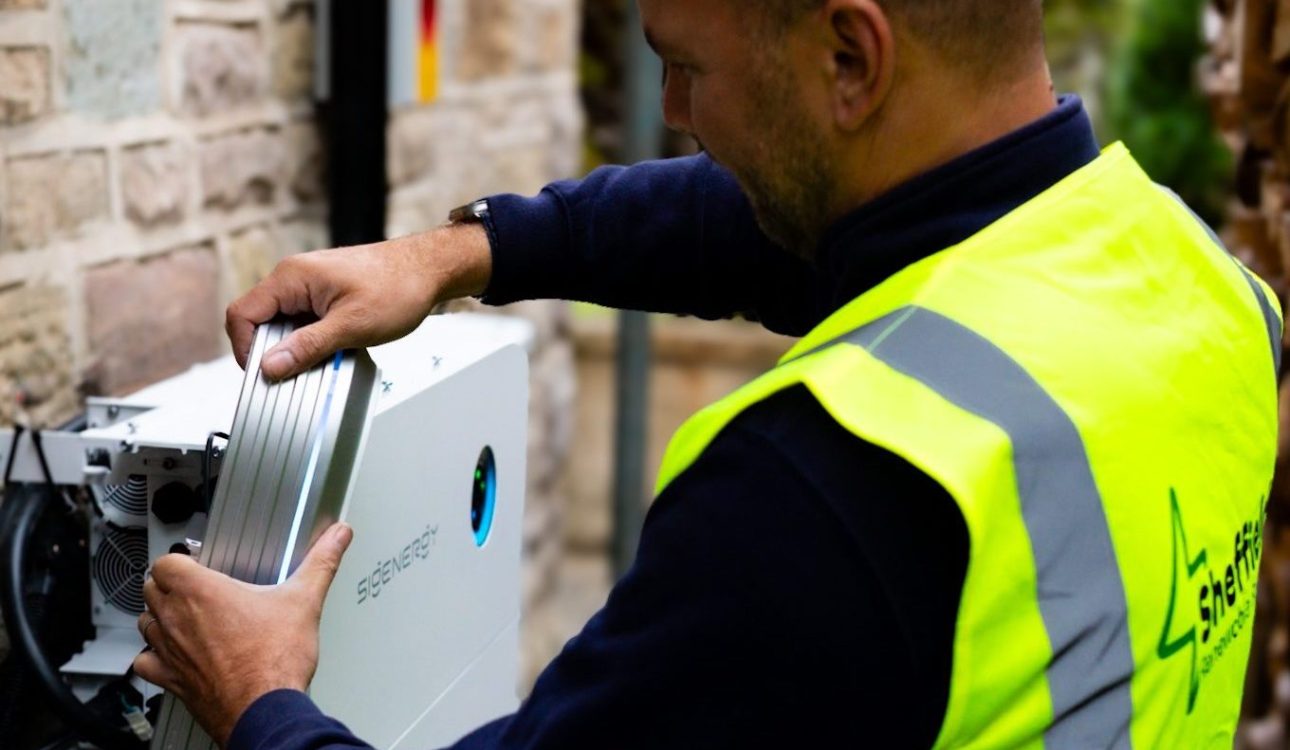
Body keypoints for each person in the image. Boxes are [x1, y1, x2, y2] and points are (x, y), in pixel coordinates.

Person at [131, 0, 1283, 747]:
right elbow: (783, 227)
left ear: (851, 57)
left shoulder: (827, 489)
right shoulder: (1200, 284)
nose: (674, 116)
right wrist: (464, 252)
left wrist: (260, 700)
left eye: (686, 69)